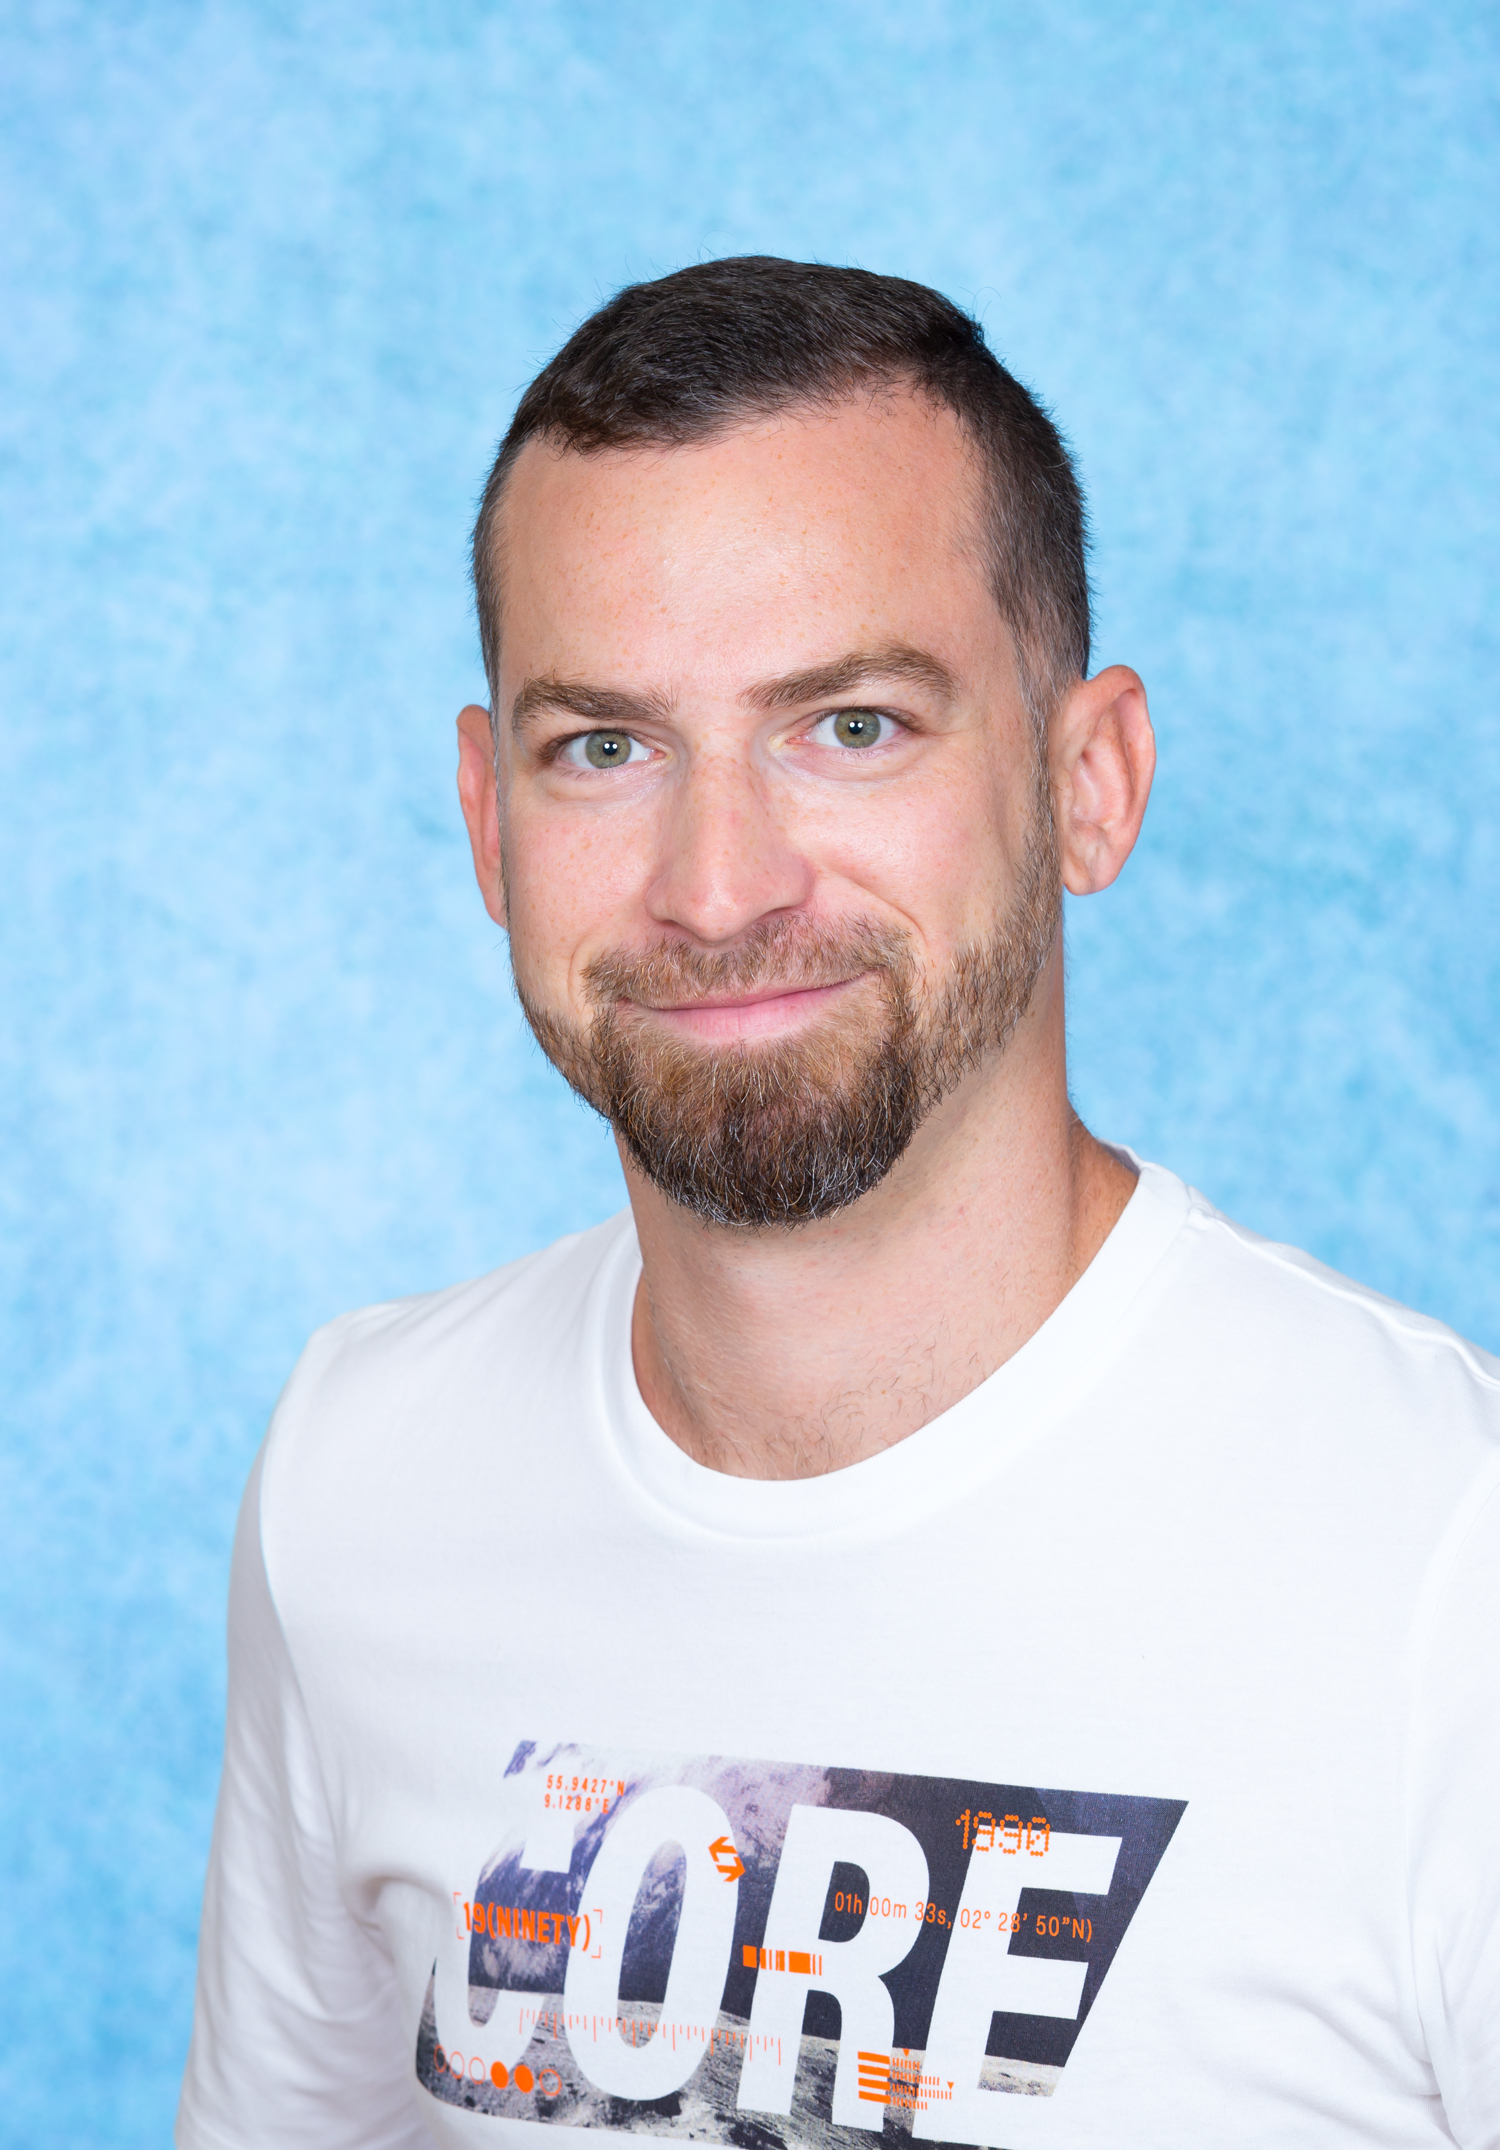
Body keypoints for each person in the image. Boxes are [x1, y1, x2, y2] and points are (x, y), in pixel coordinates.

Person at [177, 258, 1500, 2150]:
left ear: (1090, 782)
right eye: (605, 748)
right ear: (487, 821)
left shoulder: (1447, 1571)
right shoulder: (358, 1480)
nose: (719, 885)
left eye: (852, 725)